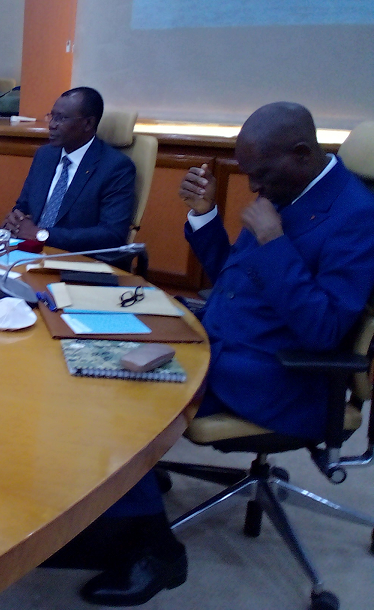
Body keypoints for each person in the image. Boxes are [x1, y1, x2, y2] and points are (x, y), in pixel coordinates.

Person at [46, 101, 374, 607]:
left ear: (302, 153)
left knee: (117, 390)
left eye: (260, 175)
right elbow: (233, 279)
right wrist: (205, 218)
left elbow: (323, 329)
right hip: (219, 337)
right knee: (93, 336)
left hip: (279, 375)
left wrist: (271, 241)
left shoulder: (355, 215)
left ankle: (156, 549)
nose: (255, 187)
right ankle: (130, 481)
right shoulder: (287, 187)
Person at [1, 87, 135, 252]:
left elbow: (112, 235)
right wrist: (16, 219)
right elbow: (24, 205)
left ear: (88, 123)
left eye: (61, 118)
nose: (52, 125)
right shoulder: (45, 155)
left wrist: (43, 235)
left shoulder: (116, 167)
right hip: (29, 252)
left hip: (77, 260)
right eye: (51, 116)